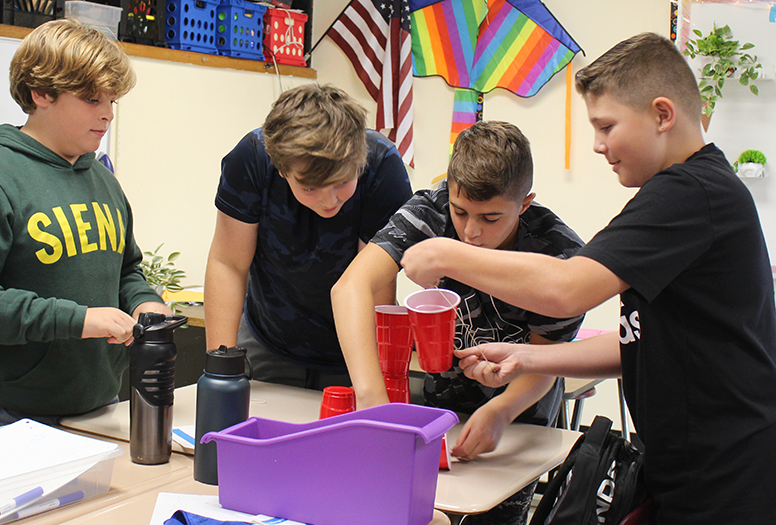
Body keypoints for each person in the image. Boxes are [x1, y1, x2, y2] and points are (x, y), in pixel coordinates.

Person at [401, 33, 776, 524]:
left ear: (663, 115)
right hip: (686, 465)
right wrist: (527, 356)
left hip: (727, 471)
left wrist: (447, 253)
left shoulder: (691, 192)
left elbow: (566, 288)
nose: (598, 146)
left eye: (606, 126)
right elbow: (638, 342)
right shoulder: (689, 191)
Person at [0, 19, 172, 441]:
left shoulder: (103, 179)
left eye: (112, 100)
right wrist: (75, 320)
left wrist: (144, 302)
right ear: (42, 94)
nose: (107, 113)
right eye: (92, 98)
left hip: (90, 413)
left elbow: (126, 268)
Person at [332, 121, 585, 525]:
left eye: (490, 218)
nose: (471, 231)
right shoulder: (429, 212)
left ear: (524, 204)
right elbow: (349, 289)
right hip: (440, 413)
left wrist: (502, 410)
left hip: (520, 420)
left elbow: (548, 363)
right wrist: (372, 398)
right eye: (461, 211)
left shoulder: (561, 256)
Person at [204, 84, 412, 390]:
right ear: (282, 169)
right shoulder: (252, 158)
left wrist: (372, 386)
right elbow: (228, 264)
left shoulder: (382, 166)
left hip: (355, 346)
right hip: (269, 336)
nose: (329, 201)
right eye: (310, 188)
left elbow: (374, 288)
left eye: (341, 182)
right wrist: (220, 372)